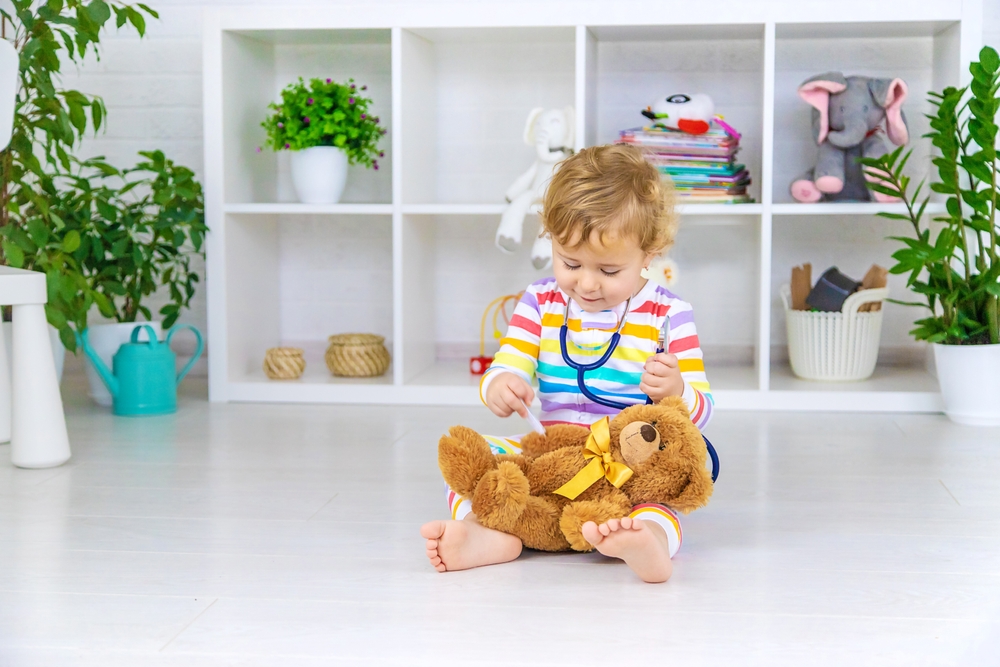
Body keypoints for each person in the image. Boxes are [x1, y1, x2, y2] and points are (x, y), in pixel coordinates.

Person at [420, 143, 713, 583]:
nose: (588, 283)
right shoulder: (540, 302)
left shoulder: (667, 315)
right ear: (551, 239)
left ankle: (646, 539)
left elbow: (702, 411)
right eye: (570, 262)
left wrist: (678, 391)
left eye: (610, 271)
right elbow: (505, 364)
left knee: (660, 493)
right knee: (475, 464)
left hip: (627, 458)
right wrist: (503, 384)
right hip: (550, 447)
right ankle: (486, 532)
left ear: (649, 254)